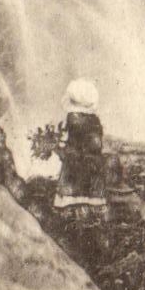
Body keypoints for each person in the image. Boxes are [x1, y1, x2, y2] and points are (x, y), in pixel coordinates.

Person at [53, 79, 108, 211]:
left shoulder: (73, 119)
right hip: (93, 172)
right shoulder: (95, 121)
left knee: (71, 196)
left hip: (74, 171)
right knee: (93, 200)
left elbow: (72, 145)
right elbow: (95, 144)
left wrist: (58, 148)